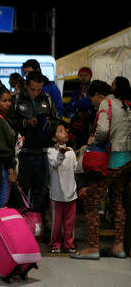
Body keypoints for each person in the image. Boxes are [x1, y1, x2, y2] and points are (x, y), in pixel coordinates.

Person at [71, 78, 131, 260]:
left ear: (97, 96)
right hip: (127, 160)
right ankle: (118, 247)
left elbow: (103, 130)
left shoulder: (107, 103)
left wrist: (94, 140)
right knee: (117, 201)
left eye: (91, 99)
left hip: (110, 161)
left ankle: (93, 248)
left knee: (91, 201)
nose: (93, 103)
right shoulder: (126, 104)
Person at [7, 72, 59, 214]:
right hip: (23, 155)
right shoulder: (16, 100)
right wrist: (26, 122)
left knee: (41, 191)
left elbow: (57, 121)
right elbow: (9, 123)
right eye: (32, 89)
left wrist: (48, 124)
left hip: (43, 153)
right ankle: (20, 224)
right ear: (26, 85)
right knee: (20, 191)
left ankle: (38, 225)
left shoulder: (48, 99)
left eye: (39, 89)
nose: (35, 92)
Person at [47, 122, 78, 253]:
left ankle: (68, 244)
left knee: (70, 222)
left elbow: (76, 168)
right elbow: (55, 164)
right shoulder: (51, 152)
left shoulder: (71, 151)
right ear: (54, 138)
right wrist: (61, 153)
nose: (65, 133)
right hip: (57, 194)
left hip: (71, 193)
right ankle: (55, 244)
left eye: (65, 130)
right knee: (56, 223)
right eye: (60, 131)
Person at [66, 67, 95, 150]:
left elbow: (90, 103)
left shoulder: (92, 88)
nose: (83, 77)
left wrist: (76, 103)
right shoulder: (77, 90)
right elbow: (69, 106)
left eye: (86, 75)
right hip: (79, 124)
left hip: (90, 122)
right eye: (81, 75)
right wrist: (80, 103)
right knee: (79, 146)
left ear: (90, 76)